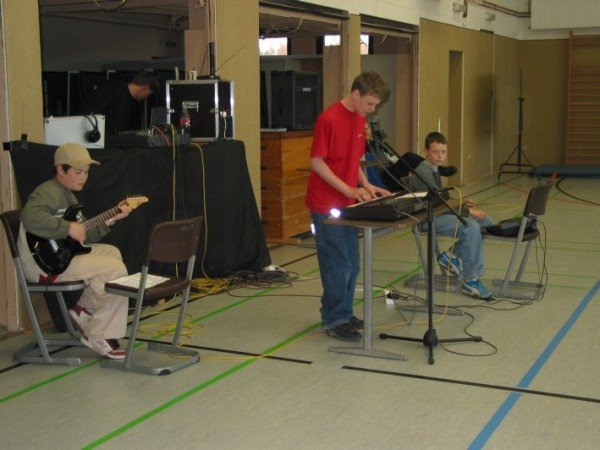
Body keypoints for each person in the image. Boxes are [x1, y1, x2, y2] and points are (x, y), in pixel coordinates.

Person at [17, 143, 133, 359]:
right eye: (78, 172)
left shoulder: (68, 196)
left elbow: (85, 234)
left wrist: (112, 218)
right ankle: (99, 334)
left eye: (86, 173)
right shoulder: (47, 192)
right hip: (45, 265)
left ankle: (83, 310)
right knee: (115, 269)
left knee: (112, 253)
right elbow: (30, 217)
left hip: (59, 257)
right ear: (60, 169)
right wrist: (68, 228)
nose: (83, 178)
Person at [306, 71, 391, 342]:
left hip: (347, 204)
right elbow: (317, 162)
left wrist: (366, 185)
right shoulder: (329, 119)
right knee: (337, 264)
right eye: (370, 103)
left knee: (352, 264)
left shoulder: (358, 119)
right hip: (325, 205)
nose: (372, 109)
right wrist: (348, 189)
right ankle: (334, 319)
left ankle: (343, 312)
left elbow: (352, 161)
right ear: (356, 94)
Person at [408, 131, 493, 299]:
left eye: (443, 152)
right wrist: (468, 211)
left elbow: (441, 198)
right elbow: (439, 203)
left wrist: (461, 203)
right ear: (425, 151)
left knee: (486, 221)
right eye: (435, 152)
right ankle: (471, 281)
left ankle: (450, 256)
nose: (440, 156)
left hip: (438, 212)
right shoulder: (423, 172)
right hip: (426, 219)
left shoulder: (433, 169)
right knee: (470, 226)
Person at [79, 70, 159, 135]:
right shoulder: (112, 89)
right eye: (149, 94)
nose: (147, 97)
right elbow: (89, 110)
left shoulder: (121, 91)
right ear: (146, 87)